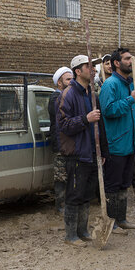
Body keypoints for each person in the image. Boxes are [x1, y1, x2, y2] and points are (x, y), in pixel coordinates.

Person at [57, 55, 108, 247]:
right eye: (89, 66)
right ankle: (71, 235)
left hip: (91, 152)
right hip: (76, 152)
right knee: (74, 194)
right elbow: (63, 125)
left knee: (87, 194)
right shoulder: (68, 95)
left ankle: (83, 230)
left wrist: (103, 151)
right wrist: (85, 119)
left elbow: (100, 125)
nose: (93, 69)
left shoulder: (92, 94)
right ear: (78, 71)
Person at [99, 48, 135, 232]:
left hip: (130, 144)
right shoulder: (111, 85)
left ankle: (122, 219)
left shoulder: (131, 83)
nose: (130, 62)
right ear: (117, 63)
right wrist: (130, 100)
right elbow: (107, 110)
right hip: (116, 144)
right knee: (113, 186)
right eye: (126, 59)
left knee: (125, 184)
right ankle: (112, 221)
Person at [49, 66, 73, 214]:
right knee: (61, 176)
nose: (71, 82)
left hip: (68, 143)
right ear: (59, 83)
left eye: (72, 79)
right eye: (68, 79)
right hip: (60, 143)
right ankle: (61, 206)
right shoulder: (55, 98)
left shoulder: (67, 96)